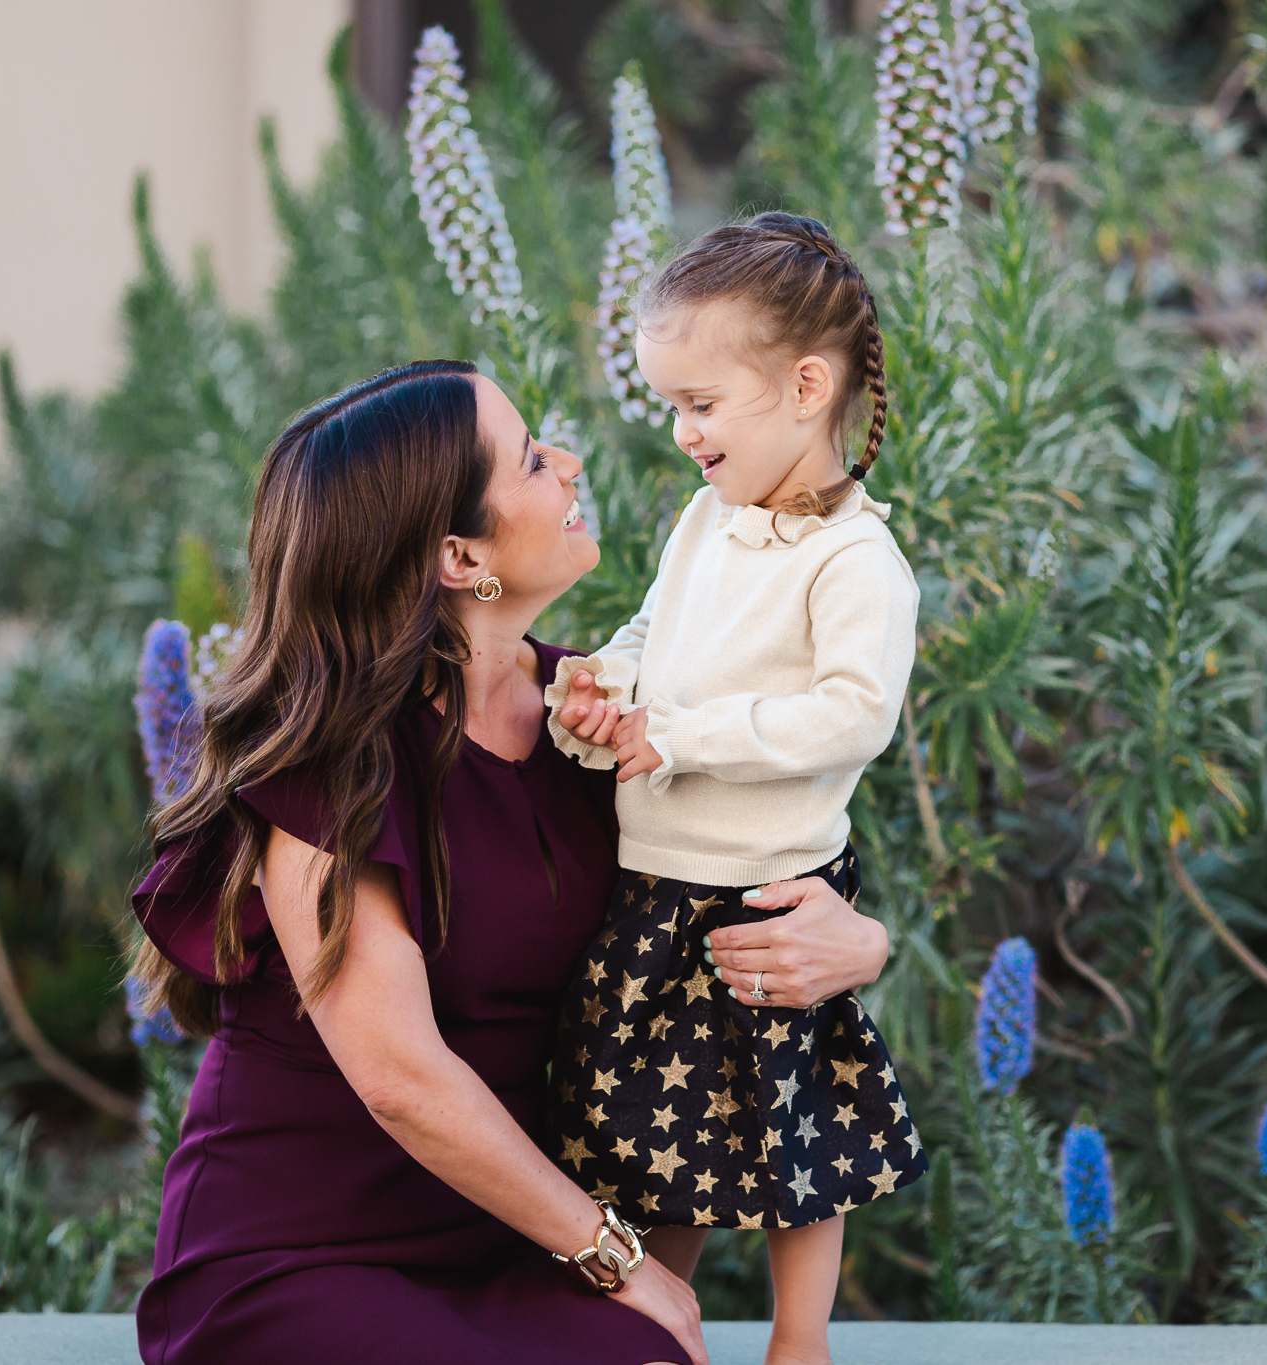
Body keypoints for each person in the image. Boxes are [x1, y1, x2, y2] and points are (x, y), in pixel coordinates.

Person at [126, 360, 893, 1365]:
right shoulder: (330, 770)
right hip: (293, 1259)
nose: (570, 464)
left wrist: (854, 941)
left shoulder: (592, 719)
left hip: (512, 1246)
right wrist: (614, 1256)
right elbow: (399, 1076)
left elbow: (743, 881)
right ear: (458, 555)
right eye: (532, 458)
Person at [542, 213, 925, 1365]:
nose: (681, 433)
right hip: (657, 888)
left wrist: (681, 736)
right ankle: (658, 1322)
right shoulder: (704, 520)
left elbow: (852, 714)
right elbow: (654, 632)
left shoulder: (854, 562)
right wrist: (599, 686)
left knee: (789, 1141)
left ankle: (798, 1342)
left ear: (806, 386)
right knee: (661, 1138)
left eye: (701, 404)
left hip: (767, 897)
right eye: (672, 404)